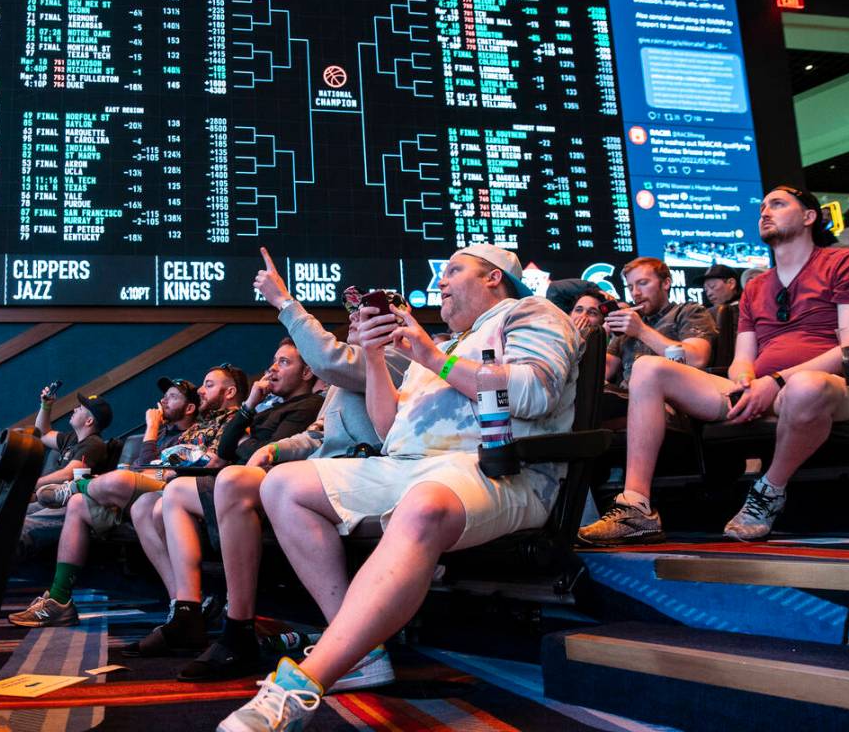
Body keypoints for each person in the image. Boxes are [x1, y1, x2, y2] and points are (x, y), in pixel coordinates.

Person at [217, 244, 581, 731]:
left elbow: (534, 393)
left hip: (497, 469)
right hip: (409, 466)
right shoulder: (441, 345)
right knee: (283, 485)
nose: (441, 284)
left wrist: (430, 357)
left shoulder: (529, 312)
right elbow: (391, 431)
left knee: (423, 504)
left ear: (494, 277)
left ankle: (305, 683)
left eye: (453, 271)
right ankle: (360, 650)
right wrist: (372, 356)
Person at [579, 185, 849, 545]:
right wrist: (745, 380)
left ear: (809, 216)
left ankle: (769, 490)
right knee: (649, 367)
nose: (764, 212)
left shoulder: (842, 262)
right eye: (761, 207)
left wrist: (775, 380)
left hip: (828, 387)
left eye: (777, 204)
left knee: (806, 386)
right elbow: (743, 357)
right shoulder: (757, 288)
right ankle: (636, 507)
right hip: (760, 388)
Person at [125, 335, 322, 674]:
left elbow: (260, 452)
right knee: (153, 502)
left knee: (171, 494)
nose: (273, 369)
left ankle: (210, 619)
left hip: (273, 483)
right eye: (273, 361)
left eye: (284, 363)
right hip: (241, 479)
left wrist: (246, 438)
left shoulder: (306, 407)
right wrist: (250, 408)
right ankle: (185, 610)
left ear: (307, 373)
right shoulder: (269, 407)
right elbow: (231, 447)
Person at [9, 369, 243, 627]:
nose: (164, 401)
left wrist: (152, 429)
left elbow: (156, 467)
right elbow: (146, 467)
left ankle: (77, 487)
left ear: (189, 408)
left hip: (171, 490)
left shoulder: (216, 425)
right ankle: (59, 600)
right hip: (136, 493)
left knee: (117, 480)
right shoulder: (189, 429)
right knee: (78, 504)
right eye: (164, 396)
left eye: (173, 397)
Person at [605, 256, 717, 387]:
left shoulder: (689, 312)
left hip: (672, 395)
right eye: (630, 287)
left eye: (643, 283)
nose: (635, 293)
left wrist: (641, 331)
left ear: (666, 283)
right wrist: (601, 334)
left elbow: (696, 359)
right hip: (625, 398)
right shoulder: (629, 323)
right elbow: (604, 372)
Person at [34, 390, 113, 490]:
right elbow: (42, 434)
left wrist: (32, 485)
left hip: (66, 500)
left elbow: (67, 475)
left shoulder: (94, 444)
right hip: (49, 495)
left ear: (89, 421)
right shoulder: (73, 438)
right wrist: (45, 406)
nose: (75, 409)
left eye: (80, 408)